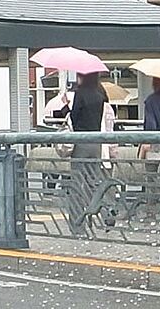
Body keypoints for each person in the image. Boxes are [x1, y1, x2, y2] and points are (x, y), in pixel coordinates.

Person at [66, 72, 112, 231]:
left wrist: (66, 107)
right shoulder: (100, 96)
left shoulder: (80, 94)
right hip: (96, 144)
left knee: (77, 184)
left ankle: (77, 225)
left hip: (81, 143)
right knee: (94, 183)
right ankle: (106, 214)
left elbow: (74, 118)